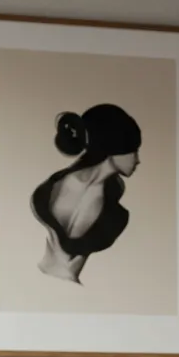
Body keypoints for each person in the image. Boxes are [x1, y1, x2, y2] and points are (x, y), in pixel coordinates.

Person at [31, 104, 142, 284]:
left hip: (61, 284)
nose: (137, 160)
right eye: (134, 150)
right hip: (48, 280)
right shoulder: (56, 187)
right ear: (114, 147)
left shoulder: (115, 212)